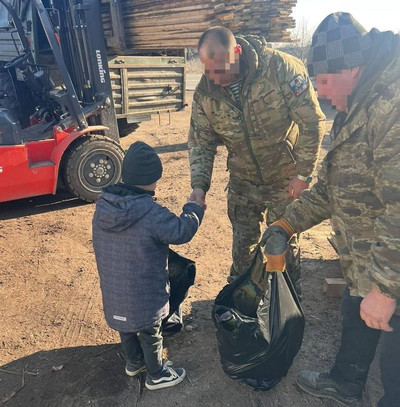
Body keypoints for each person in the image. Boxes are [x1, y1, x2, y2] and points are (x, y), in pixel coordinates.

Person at [262, 12, 400, 407]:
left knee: (394, 369)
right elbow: (335, 188)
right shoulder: (360, 99)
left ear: (351, 68)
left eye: (323, 81)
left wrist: (387, 289)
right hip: (368, 257)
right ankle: (345, 382)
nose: (320, 93)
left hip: (393, 264)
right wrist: (287, 223)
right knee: (356, 305)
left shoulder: (392, 104)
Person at [188, 26, 326, 292]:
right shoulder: (206, 93)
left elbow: (312, 123)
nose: (216, 78)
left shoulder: (280, 68)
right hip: (242, 180)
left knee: (281, 243)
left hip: (285, 178)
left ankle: (285, 302)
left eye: (221, 69)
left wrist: (303, 174)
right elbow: (200, 142)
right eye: (209, 70)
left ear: (236, 52)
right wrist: (199, 186)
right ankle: (244, 303)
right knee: (243, 250)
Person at [92, 141, 204, 390]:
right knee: (151, 332)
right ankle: (156, 373)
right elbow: (181, 231)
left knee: (127, 328)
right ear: (152, 179)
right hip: (144, 294)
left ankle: (133, 363)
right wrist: (193, 208)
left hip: (114, 293)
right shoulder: (150, 212)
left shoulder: (103, 207)